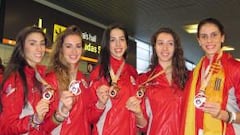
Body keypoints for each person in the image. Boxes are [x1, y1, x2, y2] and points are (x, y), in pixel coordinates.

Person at [181, 18, 240, 135]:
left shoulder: (235, 69)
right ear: (199, 40)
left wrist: (226, 115)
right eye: (204, 36)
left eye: (214, 35)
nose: (209, 40)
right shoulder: (194, 73)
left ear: (222, 37)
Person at [46, 25, 105, 134]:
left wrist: (100, 104)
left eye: (78, 46)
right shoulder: (51, 80)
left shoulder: (82, 79)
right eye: (68, 46)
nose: (74, 51)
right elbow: (42, 127)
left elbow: (89, 118)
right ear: (61, 49)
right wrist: (61, 113)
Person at [0, 26, 57, 134]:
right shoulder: (15, 80)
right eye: (32, 43)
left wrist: (60, 114)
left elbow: (44, 125)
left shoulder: (43, 76)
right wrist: (34, 120)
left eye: (42, 43)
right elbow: (6, 127)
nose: (39, 48)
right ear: (22, 47)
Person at [131, 27, 188, 135]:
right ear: (155, 47)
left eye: (170, 43)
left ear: (175, 48)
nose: (165, 48)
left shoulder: (188, 78)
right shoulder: (144, 80)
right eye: (160, 43)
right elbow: (143, 126)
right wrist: (138, 113)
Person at [89, 23, 140, 135]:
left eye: (121, 39)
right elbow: (89, 118)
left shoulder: (132, 72)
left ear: (127, 44)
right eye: (113, 40)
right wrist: (100, 104)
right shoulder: (98, 72)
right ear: (107, 44)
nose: (118, 44)